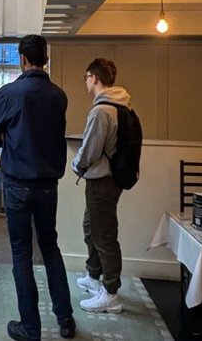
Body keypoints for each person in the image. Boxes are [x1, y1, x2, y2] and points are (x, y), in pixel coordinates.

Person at [0, 35, 75, 341]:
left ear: (22, 60)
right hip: (49, 185)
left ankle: (30, 327)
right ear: (46, 59)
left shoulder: (9, 93)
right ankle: (65, 318)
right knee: (50, 247)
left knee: (22, 253)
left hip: (16, 184)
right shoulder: (59, 95)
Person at [70, 58, 129, 313]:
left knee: (104, 236)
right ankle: (94, 277)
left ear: (94, 77)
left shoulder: (102, 111)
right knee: (91, 228)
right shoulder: (121, 105)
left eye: (86, 77)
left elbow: (91, 149)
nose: (86, 81)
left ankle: (111, 292)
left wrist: (76, 164)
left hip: (101, 179)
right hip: (109, 179)